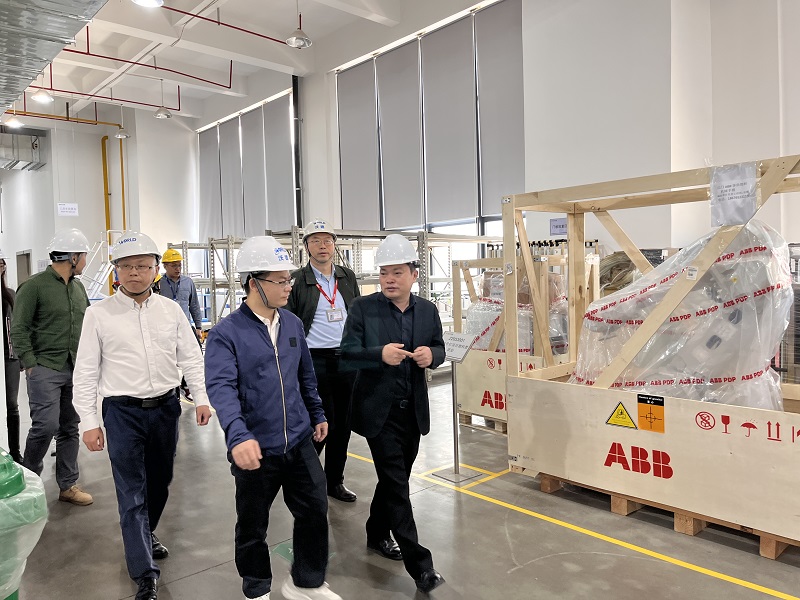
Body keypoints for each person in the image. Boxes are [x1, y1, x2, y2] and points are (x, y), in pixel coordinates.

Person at [72, 231, 213, 600]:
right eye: (127, 266)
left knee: (160, 481)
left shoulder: (171, 311)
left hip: (166, 409)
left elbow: (191, 358)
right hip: (122, 413)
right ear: (116, 271)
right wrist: (89, 422)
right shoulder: (98, 314)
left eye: (143, 266)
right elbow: (85, 372)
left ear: (155, 270)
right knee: (131, 492)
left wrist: (201, 398)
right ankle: (145, 575)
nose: (135, 272)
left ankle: (146, 531)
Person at [205, 236, 341, 600]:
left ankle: (306, 583)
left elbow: (305, 374)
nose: (287, 286)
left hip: (298, 440)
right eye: (279, 281)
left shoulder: (292, 324)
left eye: (288, 280)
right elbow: (221, 389)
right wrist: (238, 435)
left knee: (315, 510)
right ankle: (256, 588)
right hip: (256, 447)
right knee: (253, 524)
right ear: (254, 283)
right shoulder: (225, 334)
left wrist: (316, 412)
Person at [340, 234, 446, 593]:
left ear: (414, 274)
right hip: (378, 412)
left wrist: (433, 356)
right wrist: (378, 355)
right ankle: (421, 566)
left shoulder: (427, 311)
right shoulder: (362, 308)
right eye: (384, 272)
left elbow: (439, 346)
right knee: (398, 486)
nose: (389, 279)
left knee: (393, 480)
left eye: (397, 272)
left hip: (412, 411)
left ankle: (375, 533)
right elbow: (347, 353)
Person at [11, 228, 92, 506]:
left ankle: (68, 485)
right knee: (45, 426)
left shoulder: (79, 288)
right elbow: (19, 328)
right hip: (44, 367)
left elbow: (89, 324)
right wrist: (30, 363)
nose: (85, 261)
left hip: (74, 367)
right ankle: (28, 485)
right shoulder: (34, 286)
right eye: (83, 255)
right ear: (73, 257)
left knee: (70, 427)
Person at [287, 219, 360, 503]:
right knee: (318, 424)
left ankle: (334, 481)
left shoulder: (347, 276)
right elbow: (288, 324)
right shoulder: (297, 280)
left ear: (334, 245)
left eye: (327, 240)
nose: (322, 246)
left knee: (343, 425)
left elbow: (357, 314)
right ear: (306, 247)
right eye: (315, 241)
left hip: (346, 359)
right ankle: (304, 481)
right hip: (313, 360)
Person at [158, 248, 203, 401]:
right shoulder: (158, 284)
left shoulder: (188, 282)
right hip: (165, 328)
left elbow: (194, 305)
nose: (178, 269)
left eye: (179, 265)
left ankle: (185, 384)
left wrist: (198, 327)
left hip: (186, 326)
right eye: (174, 266)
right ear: (165, 266)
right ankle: (171, 390)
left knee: (196, 355)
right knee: (167, 360)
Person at [1, 250, 22, 463]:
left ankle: (15, 453)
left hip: (10, 359)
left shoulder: (10, 294)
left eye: (1, 263)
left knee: (11, 405)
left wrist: (21, 358)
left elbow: (16, 326)